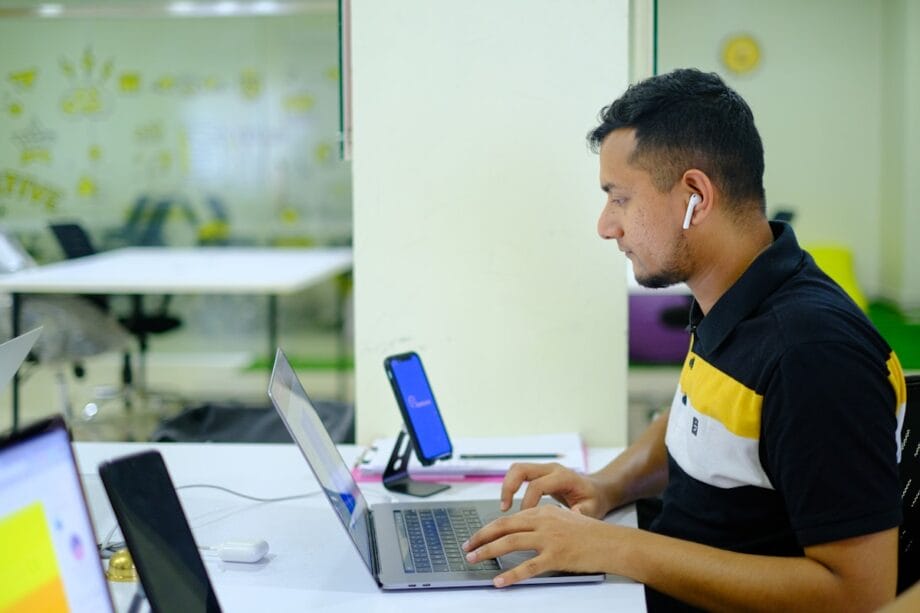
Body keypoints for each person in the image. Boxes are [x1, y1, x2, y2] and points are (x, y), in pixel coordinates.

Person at [461, 68, 907, 611]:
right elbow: (694, 429)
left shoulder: (811, 355)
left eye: (619, 198)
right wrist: (603, 487)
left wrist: (615, 548)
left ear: (695, 195)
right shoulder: (730, 295)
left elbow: (858, 595)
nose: (605, 225)